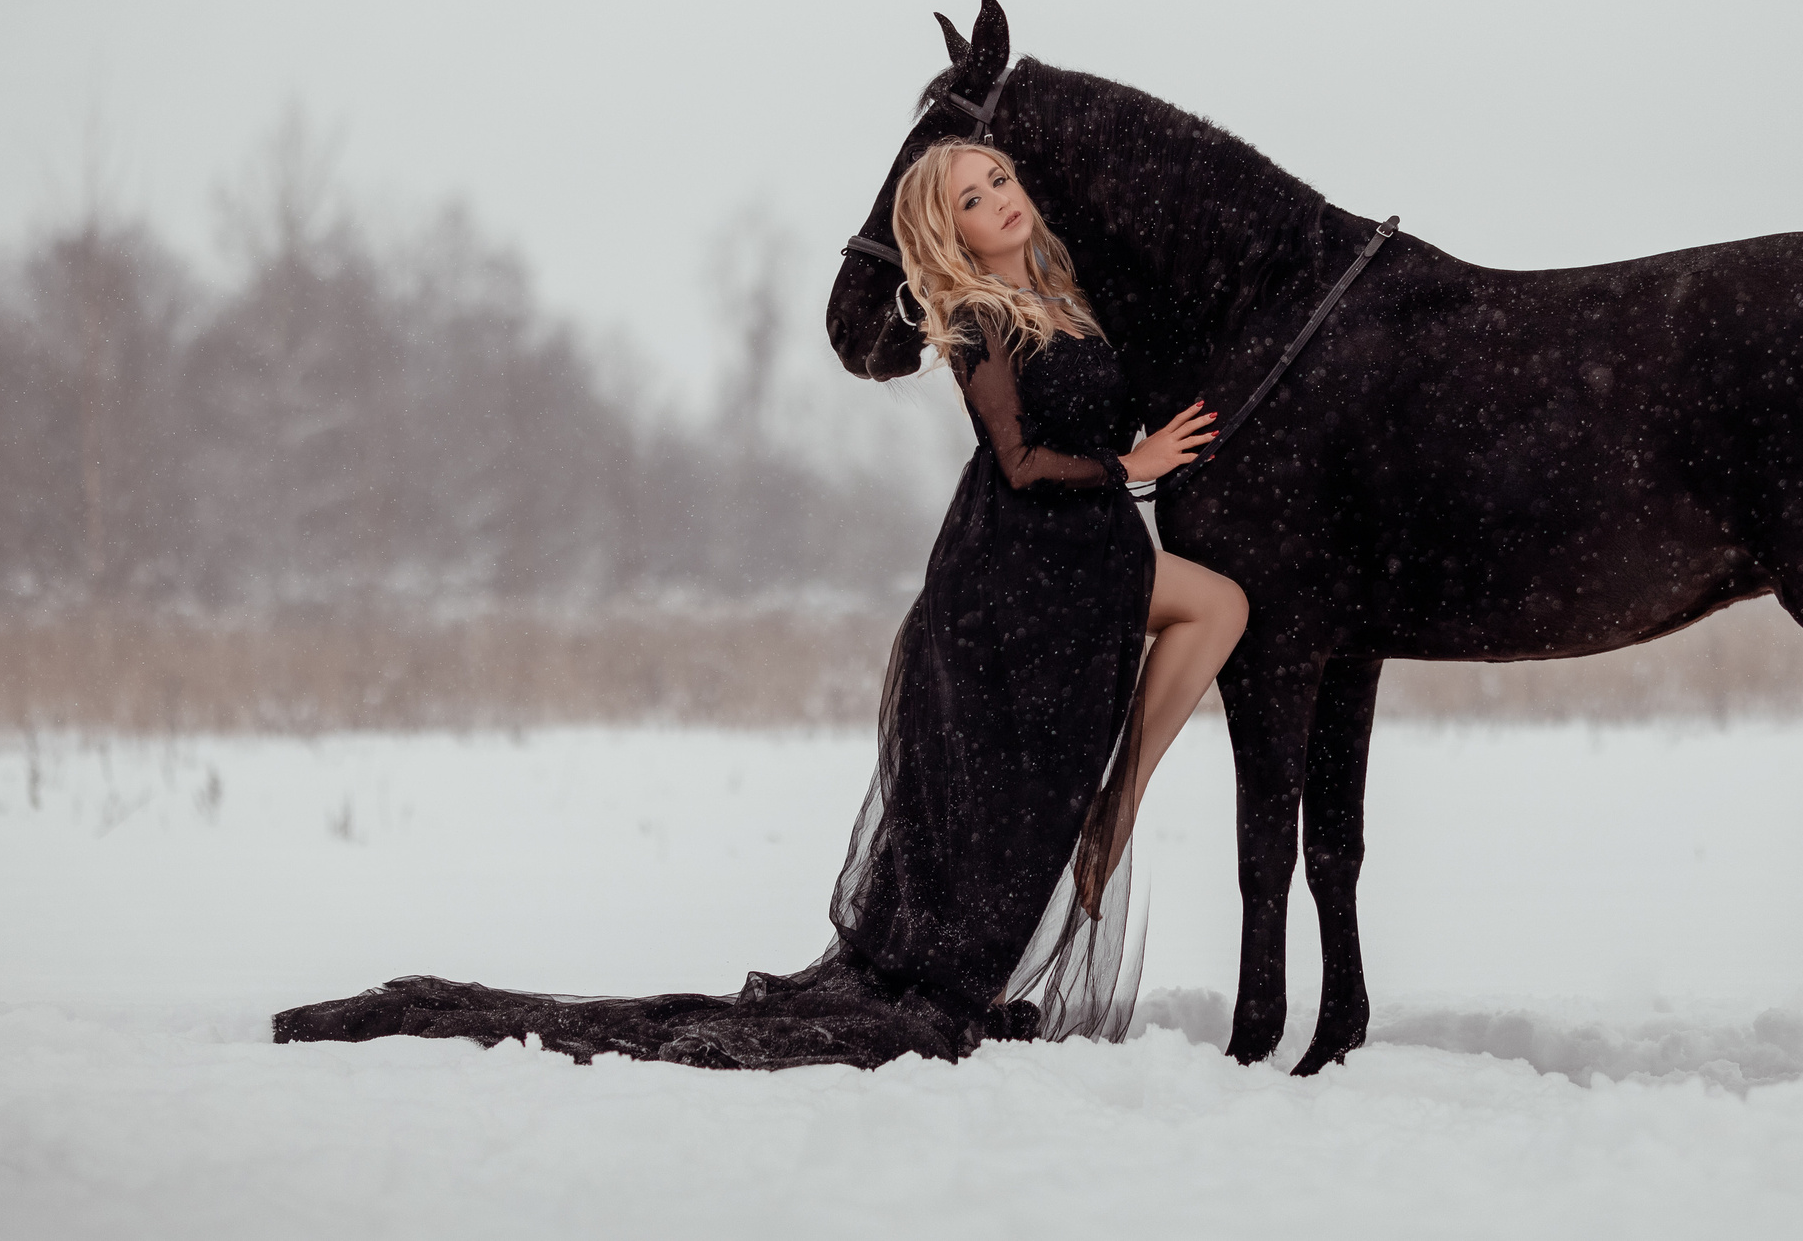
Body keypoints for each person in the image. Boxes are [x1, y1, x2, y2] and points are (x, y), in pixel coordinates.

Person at [272, 137, 1244, 1070]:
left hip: (1093, 545)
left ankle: (1115, 806)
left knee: (1211, 615)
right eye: (971, 199)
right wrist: (1134, 464)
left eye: (998, 178)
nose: (999, 199)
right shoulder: (975, 317)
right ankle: (986, 951)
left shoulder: (1067, 298)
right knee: (1015, 785)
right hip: (1016, 562)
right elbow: (1022, 461)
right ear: (947, 234)